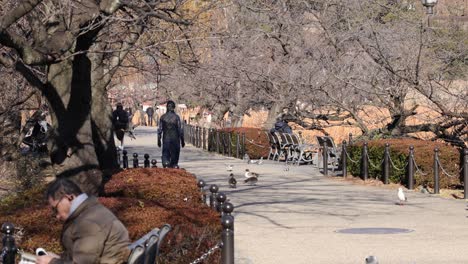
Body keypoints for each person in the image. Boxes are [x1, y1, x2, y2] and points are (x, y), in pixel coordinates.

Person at [36, 178, 130, 264]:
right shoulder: (92, 211)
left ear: (69, 198)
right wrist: (60, 258)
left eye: (55, 209)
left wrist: (52, 262)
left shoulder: (89, 223)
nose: (57, 216)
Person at [157, 100, 185, 168]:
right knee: (175, 156)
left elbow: (160, 130)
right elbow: (180, 130)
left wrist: (158, 140)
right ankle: (174, 165)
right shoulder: (176, 117)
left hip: (166, 138)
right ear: (174, 107)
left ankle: (166, 164)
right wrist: (182, 140)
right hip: (175, 139)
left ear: (167, 107)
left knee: (166, 153)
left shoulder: (163, 117)